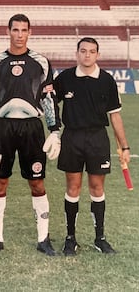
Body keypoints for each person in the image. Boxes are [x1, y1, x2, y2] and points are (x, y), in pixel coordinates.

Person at [0, 13, 61, 256]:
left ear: (29, 32)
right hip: (2, 128)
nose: (19, 34)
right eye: (15, 30)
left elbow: (48, 98)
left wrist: (55, 130)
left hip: (31, 128)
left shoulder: (41, 62)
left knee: (37, 182)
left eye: (24, 30)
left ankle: (43, 239)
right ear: (8, 31)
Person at [53, 37, 130, 256]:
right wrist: (54, 132)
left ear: (98, 54)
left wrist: (124, 147)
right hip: (72, 137)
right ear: (76, 53)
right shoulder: (65, 78)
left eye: (92, 51)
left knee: (97, 188)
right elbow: (50, 103)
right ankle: (70, 238)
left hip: (97, 138)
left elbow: (115, 116)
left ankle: (100, 238)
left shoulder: (106, 80)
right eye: (83, 51)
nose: (87, 55)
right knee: (73, 187)